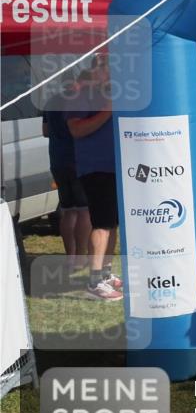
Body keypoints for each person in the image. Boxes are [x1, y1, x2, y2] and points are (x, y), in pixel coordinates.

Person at [66, 56, 122, 301]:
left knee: (111, 223)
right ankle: (94, 281)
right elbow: (76, 129)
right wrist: (108, 110)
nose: (110, 69)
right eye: (104, 65)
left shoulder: (115, 92)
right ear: (94, 70)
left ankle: (106, 273)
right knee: (101, 223)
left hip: (117, 167)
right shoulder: (81, 95)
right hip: (95, 168)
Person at [42, 79, 91, 272]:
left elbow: (45, 131)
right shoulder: (80, 101)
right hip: (78, 160)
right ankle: (81, 257)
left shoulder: (51, 100)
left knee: (68, 210)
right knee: (84, 210)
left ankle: (70, 257)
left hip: (57, 160)